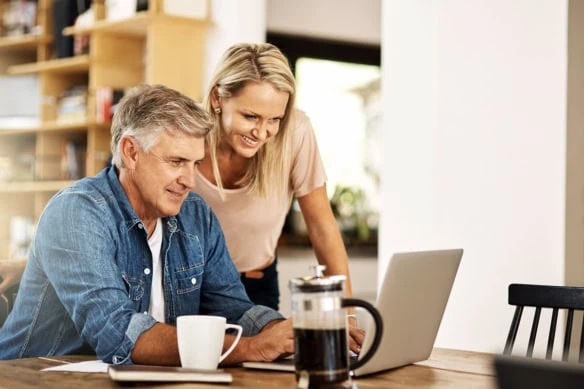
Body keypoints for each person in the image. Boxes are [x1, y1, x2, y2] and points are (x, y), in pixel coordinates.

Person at [0, 84, 293, 365]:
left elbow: (235, 313)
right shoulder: (76, 212)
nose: (189, 181)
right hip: (29, 379)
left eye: (195, 164)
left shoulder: (196, 215)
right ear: (131, 152)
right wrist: (252, 348)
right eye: (176, 161)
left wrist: (291, 334)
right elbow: (118, 334)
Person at [196, 43, 354, 311]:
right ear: (217, 98)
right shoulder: (186, 135)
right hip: (188, 287)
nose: (261, 132)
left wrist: (347, 314)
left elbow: (322, 228)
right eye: (250, 116)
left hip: (255, 287)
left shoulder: (295, 133)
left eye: (274, 119)